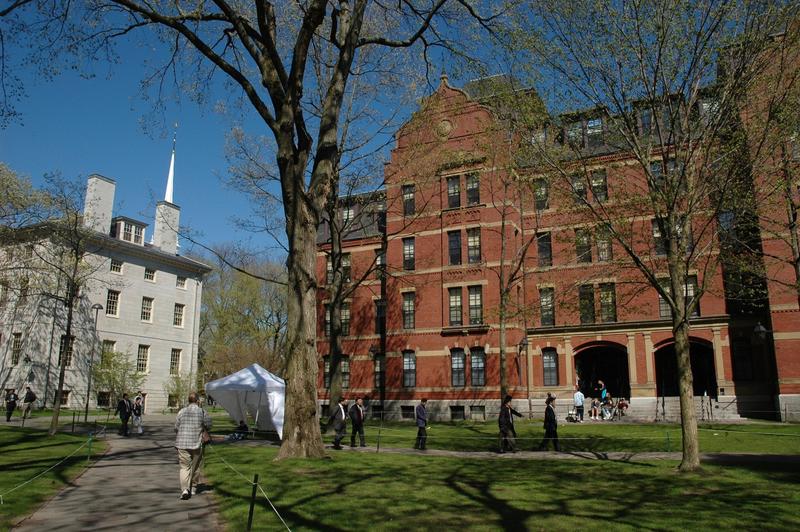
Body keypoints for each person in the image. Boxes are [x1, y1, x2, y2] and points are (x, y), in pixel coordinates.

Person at [175, 392, 212, 500]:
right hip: (196, 443)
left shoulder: (181, 411)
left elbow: (176, 427)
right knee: (195, 466)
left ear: (188, 400)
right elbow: (209, 425)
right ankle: (194, 487)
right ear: (197, 401)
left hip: (182, 443)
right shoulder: (202, 411)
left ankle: (185, 489)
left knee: (184, 467)